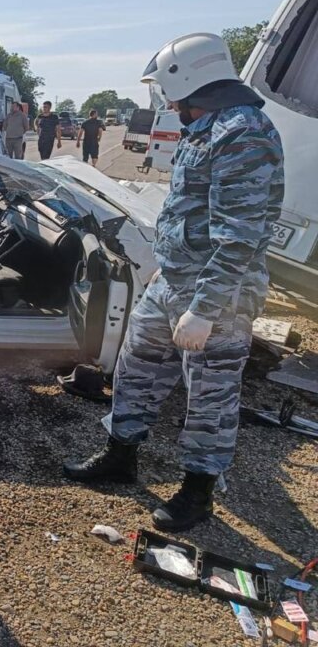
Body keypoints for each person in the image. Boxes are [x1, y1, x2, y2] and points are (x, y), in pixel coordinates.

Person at [63, 33, 284, 531]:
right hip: (175, 283)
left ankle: (197, 493)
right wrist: (169, 263)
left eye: (167, 87)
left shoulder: (242, 132)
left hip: (217, 296)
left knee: (209, 397)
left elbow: (241, 235)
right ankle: (121, 456)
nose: (166, 99)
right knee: (136, 368)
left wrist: (205, 308)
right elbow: (190, 210)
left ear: (190, 77)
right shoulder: (207, 125)